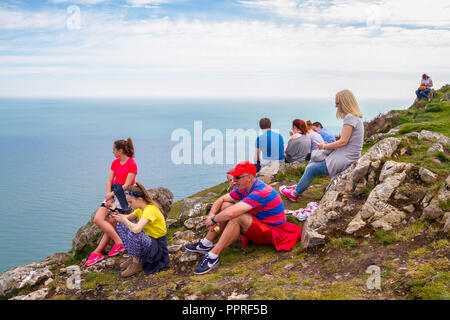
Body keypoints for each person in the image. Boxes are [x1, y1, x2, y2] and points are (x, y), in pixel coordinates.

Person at [185, 161, 302, 275]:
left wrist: (214, 219)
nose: (234, 181)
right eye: (233, 177)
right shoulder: (245, 188)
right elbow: (221, 200)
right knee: (226, 205)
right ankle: (206, 243)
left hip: (273, 232)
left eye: (237, 177)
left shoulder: (261, 191)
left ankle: (213, 255)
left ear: (249, 178)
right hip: (260, 224)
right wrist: (211, 216)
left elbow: (232, 214)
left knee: (237, 216)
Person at [279, 90, 364, 201]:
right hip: (349, 155)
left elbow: (343, 141)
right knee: (312, 164)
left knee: (312, 169)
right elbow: (347, 141)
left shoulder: (350, 118)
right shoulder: (356, 117)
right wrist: (330, 145)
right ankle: (299, 187)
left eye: (337, 103)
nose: (336, 106)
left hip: (346, 158)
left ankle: (294, 194)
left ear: (345, 102)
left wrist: (323, 146)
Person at [84, 138, 138, 267]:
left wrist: (112, 195)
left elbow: (127, 185)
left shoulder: (132, 163)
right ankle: (119, 242)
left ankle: (97, 252)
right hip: (112, 195)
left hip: (123, 196)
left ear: (120, 151)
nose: (112, 152)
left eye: (114, 150)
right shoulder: (115, 163)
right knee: (98, 219)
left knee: (111, 222)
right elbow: (109, 181)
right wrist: (109, 197)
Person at [110, 183, 169, 277]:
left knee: (134, 233)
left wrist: (124, 220)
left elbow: (137, 229)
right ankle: (134, 256)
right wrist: (118, 216)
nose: (129, 205)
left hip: (157, 247)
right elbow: (127, 217)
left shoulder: (150, 210)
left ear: (139, 199)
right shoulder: (140, 208)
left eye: (130, 202)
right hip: (150, 241)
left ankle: (136, 263)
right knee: (120, 225)